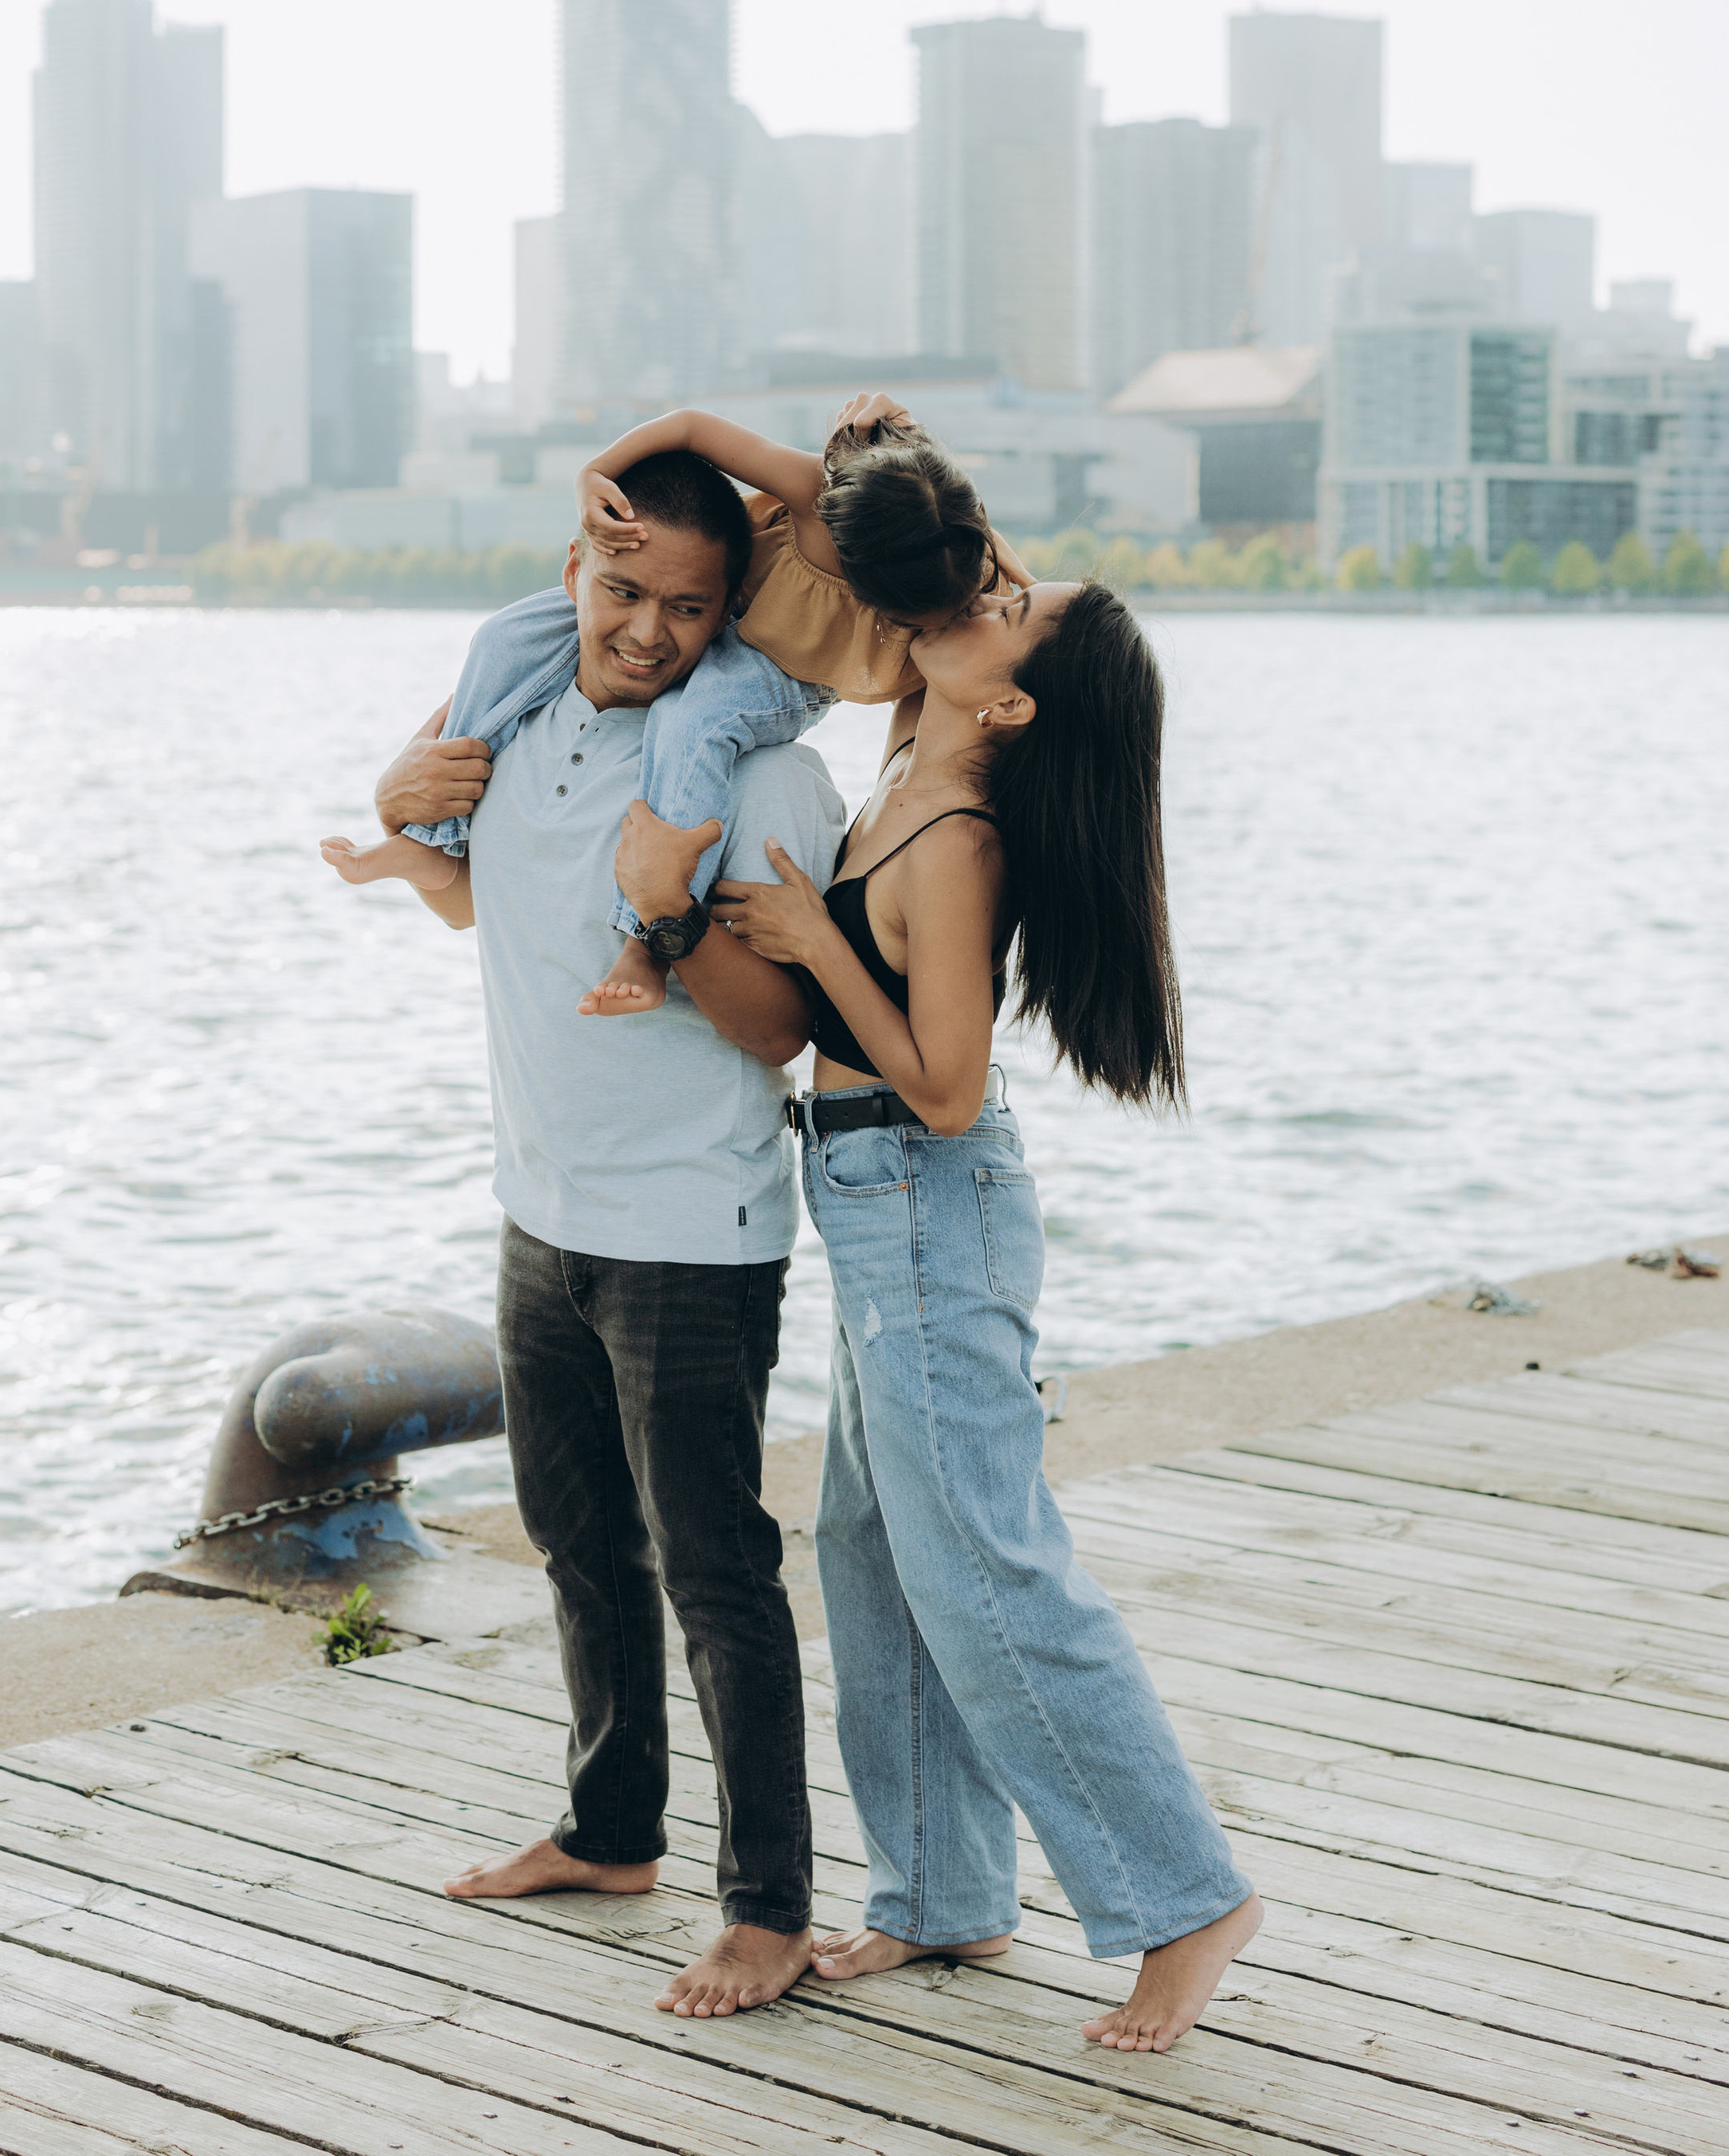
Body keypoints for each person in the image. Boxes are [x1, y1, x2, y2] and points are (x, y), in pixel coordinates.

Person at [713, 572, 1264, 2056]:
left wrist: (815, 945)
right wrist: (858, 444)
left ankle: (1184, 1898)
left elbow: (945, 1090)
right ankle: (942, 1890)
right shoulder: (919, 736)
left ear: (1011, 695)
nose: (988, 587)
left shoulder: (957, 835)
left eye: (1014, 601)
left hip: (923, 1200)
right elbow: (923, 557)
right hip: (869, 1202)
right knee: (872, 1544)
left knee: (987, 1567)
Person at [332, 448, 846, 2017]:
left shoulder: (755, 780)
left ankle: (767, 1908)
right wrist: (394, 807)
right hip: (537, 1213)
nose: (647, 631)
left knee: (715, 1568)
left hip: (690, 1233)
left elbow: (781, 1035)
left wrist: (671, 919)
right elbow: (474, 906)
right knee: (576, 1544)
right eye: (624, 590)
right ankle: (612, 1832)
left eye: (689, 608)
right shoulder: (524, 715)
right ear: (574, 566)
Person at [321, 394, 1004, 1013]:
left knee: (693, 719)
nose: (645, 632)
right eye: (620, 594)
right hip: (735, 619)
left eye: (902, 613)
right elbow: (691, 427)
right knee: (503, 636)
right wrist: (595, 472)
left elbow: (1029, 628)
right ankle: (434, 840)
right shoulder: (813, 491)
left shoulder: (962, 565)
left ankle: (643, 942)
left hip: (787, 673)